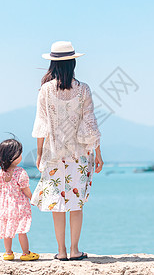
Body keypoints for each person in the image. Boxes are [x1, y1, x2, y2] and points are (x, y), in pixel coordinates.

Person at [30, 41, 104, 261]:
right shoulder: (83, 89)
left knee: (57, 203)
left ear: (53, 63)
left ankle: (61, 252)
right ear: (73, 63)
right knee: (76, 202)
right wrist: (98, 154)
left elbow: (41, 124)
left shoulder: (45, 90)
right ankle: (75, 250)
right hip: (79, 154)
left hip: (53, 154)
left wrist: (40, 154)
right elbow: (90, 123)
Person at [0, 138, 40, 261]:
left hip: (4, 206)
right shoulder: (20, 172)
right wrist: (33, 198)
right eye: (19, 154)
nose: (21, 156)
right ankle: (25, 253)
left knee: (7, 228)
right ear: (12, 156)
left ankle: (8, 253)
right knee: (21, 230)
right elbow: (25, 189)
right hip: (19, 206)